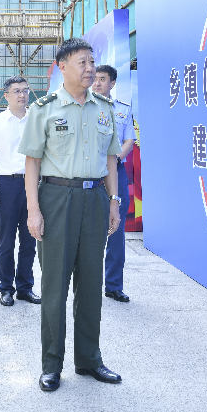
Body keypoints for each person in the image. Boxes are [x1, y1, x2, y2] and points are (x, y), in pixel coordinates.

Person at [18, 38, 124, 392]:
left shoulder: (104, 109)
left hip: (94, 200)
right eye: (82, 62)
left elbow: (110, 159)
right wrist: (33, 210)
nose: (90, 69)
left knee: (91, 285)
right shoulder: (44, 109)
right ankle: (52, 364)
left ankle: (89, 359)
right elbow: (31, 164)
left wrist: (113, 201)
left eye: (92, 62)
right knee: (54, 286)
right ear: (62, 66)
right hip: (56, 199)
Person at [0, 76, 40, 307]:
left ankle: (25, 288)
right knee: (6, 241)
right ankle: (6, 288)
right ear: (6, 95)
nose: (22, 95)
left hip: (32, 185)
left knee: (29, 240)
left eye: (25, 90)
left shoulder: (35, 120)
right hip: (7, 185)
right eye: (16, 91)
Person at [93, 65, 136, 303]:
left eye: (102, 79)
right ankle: (88, 283)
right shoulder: (85, 107)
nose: (97, 83)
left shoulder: (122, 110)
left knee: (116, 231)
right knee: (90, 230)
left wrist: (116, 158)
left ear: (112, 83)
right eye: (95, 79)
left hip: (116, 172)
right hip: (90, 172)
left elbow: (129, 138)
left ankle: (113, 285)